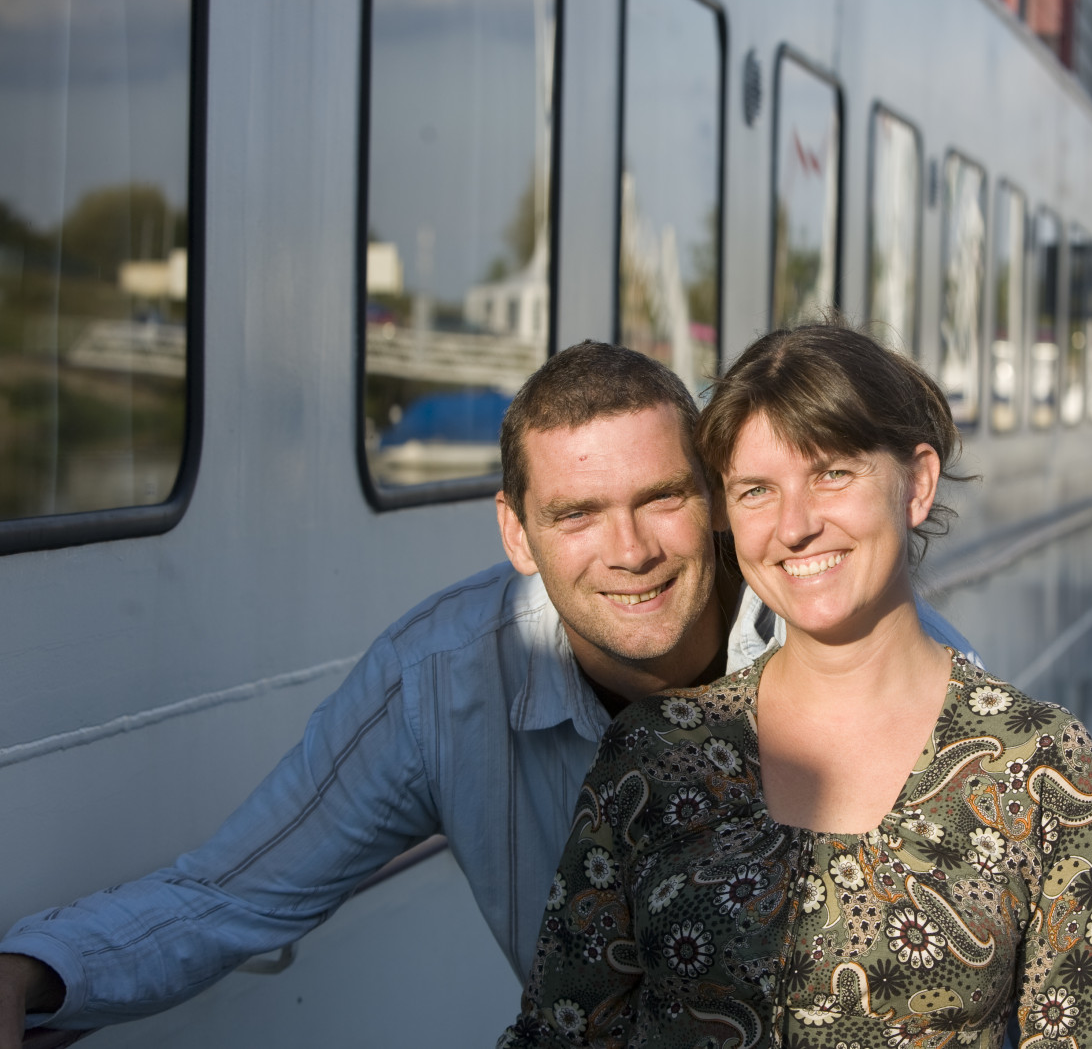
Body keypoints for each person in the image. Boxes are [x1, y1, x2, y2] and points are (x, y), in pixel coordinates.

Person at [0, 342, 978, 1046]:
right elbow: (235, 890)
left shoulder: (879, 660)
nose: (629, 550)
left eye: (662, 497)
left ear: (715, 499)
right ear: (517, 533)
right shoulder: (445, 680)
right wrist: (32, 970)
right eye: (577, 513)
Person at [504, 325, 1092, 1049]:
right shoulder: (656, 754)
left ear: (917, 483)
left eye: (832, 473)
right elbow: (560, 1033)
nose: (795, 526)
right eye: (756, 490)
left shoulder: (1039, 768)